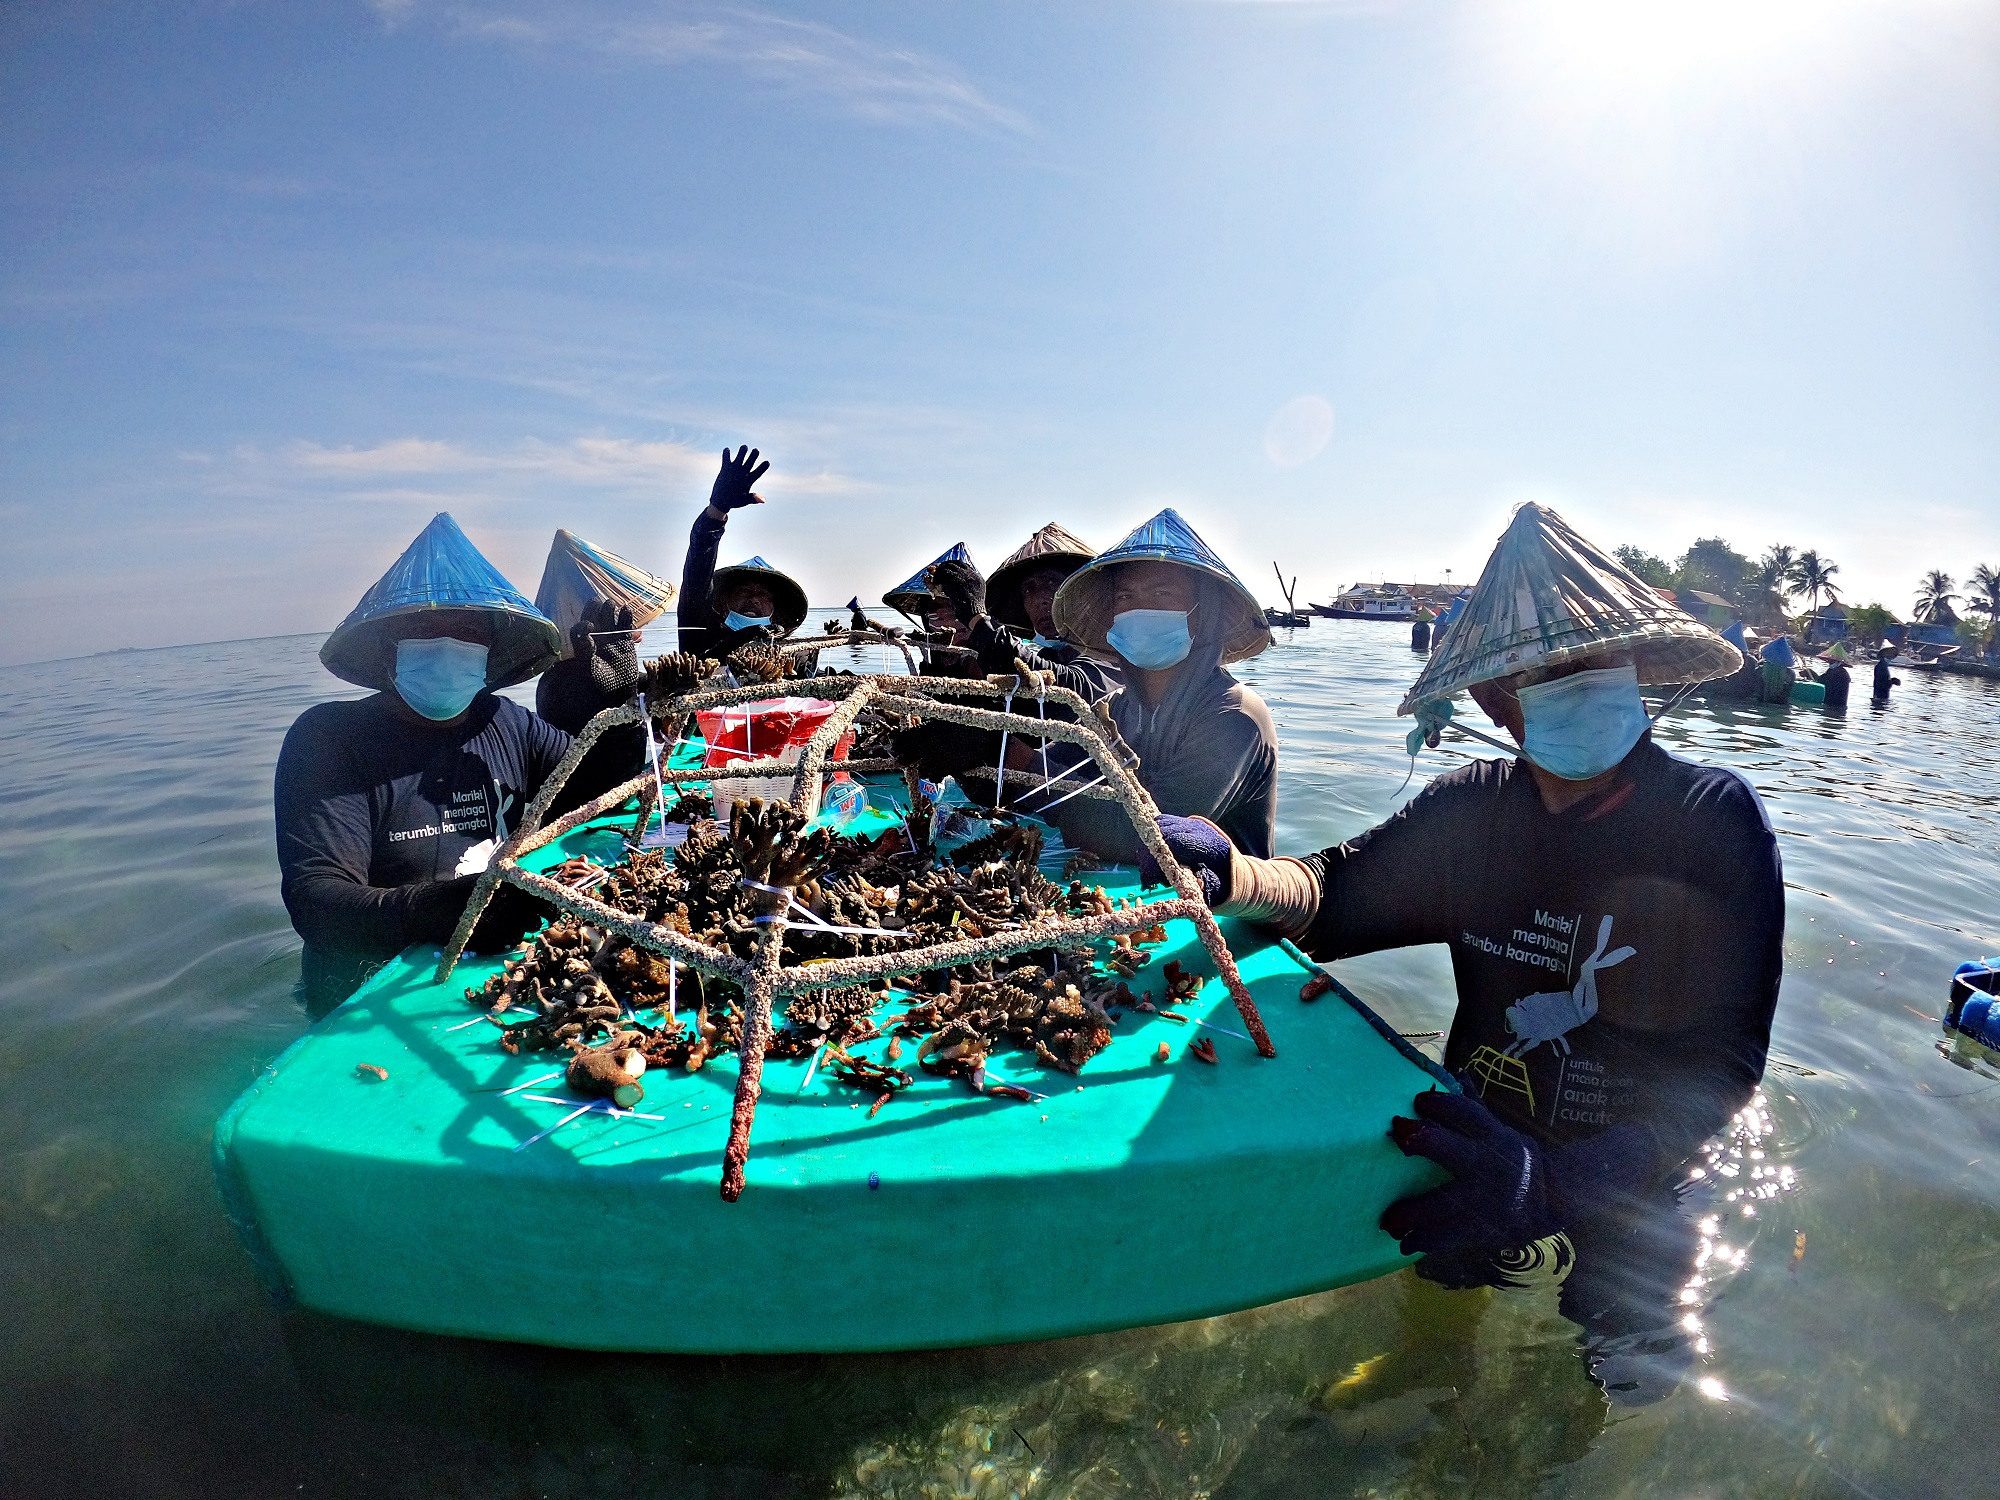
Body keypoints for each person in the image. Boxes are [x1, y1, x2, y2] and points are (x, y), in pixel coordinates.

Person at [1154, 503, 1781, 1287]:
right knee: (1439, 1301)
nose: (1578, 680)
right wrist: (1236, 874)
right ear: (1492, 699)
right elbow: (1333, 892)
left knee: (1627, 1335)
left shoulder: (1712, 819)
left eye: (1598, 657)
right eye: (1543, 669)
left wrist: (1570, 1182)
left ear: (1633, 667)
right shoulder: (1470, 813)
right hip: (1481, 1139)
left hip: (1641, 1166)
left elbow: (1728, 1061)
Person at [274, 514, 642, 1017]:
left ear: (490, 650)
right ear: (387, 649)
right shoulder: (330, 739)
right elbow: (317, 902)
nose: (449, 644)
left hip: (485, 970)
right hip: (368, 991)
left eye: (469, 631)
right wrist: (446, 908)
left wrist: (614, 712)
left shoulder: (506, 721)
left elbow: (600, 796)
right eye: (425, 629)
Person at [1036, 508, 1279, 859]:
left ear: (1204, 614)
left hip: (1210, 890)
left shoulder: (1235, 716)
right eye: (1125, 598)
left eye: (1162, 594)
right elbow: (1047, 766)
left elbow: (1154, 836)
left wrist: (1027, 767)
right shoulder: (1114, 709)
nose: (1139, 610)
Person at [676, 446, 811, 661]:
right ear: (722, 602)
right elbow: (698, 568)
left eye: (764, 596)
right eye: (744, 591)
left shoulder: (789, 656)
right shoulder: (699, 633)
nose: (754, 600)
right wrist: (717, 509)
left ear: (775, 613)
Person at [1815, 640, 1853, 709]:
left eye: (1832, 661)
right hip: (1833, 704)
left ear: (1838, 662)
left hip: (1835, 705)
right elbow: (1822, 679)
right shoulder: (1831, 670)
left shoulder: (1840, 673)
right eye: (1830, 661)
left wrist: (1812, 674)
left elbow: (1823, 681)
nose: (1830, 663)